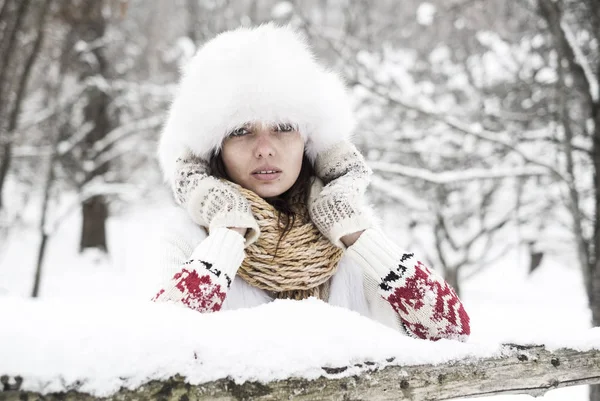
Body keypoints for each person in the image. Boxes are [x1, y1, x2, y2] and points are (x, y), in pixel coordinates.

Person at [152, 23, 470, 342]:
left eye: (284, 126)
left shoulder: (349, 236)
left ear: (310, 141)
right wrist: (228, 229)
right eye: (240, 131)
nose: (265, 148)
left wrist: (355, 228)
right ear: (214, 150)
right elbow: (167, 342)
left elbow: (450, 331)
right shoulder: (188, 236)